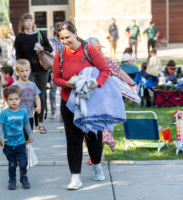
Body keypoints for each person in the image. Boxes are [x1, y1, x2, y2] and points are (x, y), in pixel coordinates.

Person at [53, 21, 112, 190]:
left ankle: (96, 164)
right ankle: (75, 177)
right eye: (61, 38)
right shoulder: (60, 55)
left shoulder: (89, 50)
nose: (64, 41)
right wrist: (68, 84)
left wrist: (96, 83)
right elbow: (56, 79)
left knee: (94, 137)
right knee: (73, 140)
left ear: (75, 33)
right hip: (69, 103)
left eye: (67, 37)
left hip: (91, 102)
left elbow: (105, 70)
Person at [14, 13, 53, 133]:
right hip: (27, 70)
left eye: (31, 21)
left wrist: (43, 49)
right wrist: (19, 71)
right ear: (23, 23)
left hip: (42, 69)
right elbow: (18, 57)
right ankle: (28, 121)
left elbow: (50, 49)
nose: (29, 23)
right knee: (29, 95)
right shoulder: (20, 38)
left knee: (41, 95)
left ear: (33, 22)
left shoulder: (40, 34)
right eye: (27, 21)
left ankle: (40, 123)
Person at [0, 85, 33, 190]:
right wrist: (0, 138)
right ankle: (12, 180)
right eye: (11, 99)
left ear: (20, 99)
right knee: (12, 164)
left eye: (16, 99)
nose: (14, 101)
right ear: (6, 100)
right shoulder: (4, 113)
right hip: (8, 145)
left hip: (21, 143)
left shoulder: (23, 112)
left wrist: (30, 135)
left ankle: (23, 178)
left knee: (23, 162)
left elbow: (26, 125)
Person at [13, 59, 41, 136]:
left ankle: (25, 147)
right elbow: (10, 99)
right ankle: (22, 147)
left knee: (29, 136)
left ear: (30, 70)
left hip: (29, 116)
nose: (24, 73)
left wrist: (38, 106)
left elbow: (37, 97)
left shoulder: (33, 85)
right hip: (18, 115)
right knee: (19, 135)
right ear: (17, 72)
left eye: (26, 70)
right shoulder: (16, 85)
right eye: (21, 71)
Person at [49, 22, 63, 119]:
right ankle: (54, 111)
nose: (59, 30)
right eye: (58, 28)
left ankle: (63, 113)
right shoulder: (50, 41)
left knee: (64, 92)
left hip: (65, 69)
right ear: (55, 30)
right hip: (53, 69)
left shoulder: (65, 41)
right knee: (53, 91)